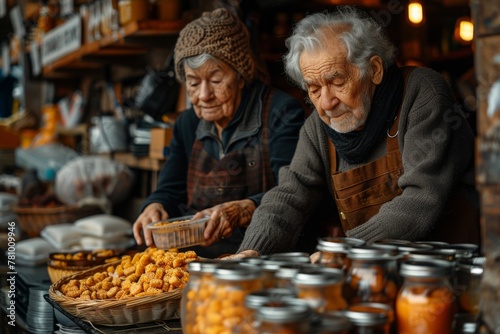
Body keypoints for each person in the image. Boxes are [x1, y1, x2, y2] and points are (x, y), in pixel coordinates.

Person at [227, 6, 480, 260]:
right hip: (374, 276)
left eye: (337, 83)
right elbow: (290, 195)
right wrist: (253, 250)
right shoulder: (318, 126)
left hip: (447, 270)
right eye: (314, 89)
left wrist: (345, 248)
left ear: (374, 70)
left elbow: (421, 197)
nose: (326, 102)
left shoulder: (421, 94)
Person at [132, 8, 306, 258]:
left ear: (241, 76)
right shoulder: (187, 123)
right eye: (193, 83)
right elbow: (171, 189)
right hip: (196, 257)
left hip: (259, 253)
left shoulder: (279, 112)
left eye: (215, 81)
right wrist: (154, 205)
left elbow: (292, 191)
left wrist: (244, 209)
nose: (203, 95)